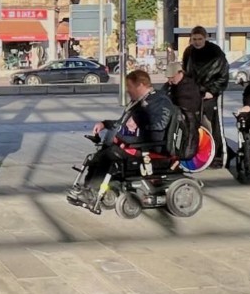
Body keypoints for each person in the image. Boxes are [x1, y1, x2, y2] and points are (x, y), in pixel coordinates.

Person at [68, 70, 177, 203]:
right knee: (99, 155)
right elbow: (122, 123)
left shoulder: (159, 100)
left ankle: (92, 192)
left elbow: (160, 124)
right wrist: (104, 124)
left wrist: (139, 123)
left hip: (150, 146)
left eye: (130, 87)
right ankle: (88, 188)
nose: (128, 90)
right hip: (135, 142)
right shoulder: (138, 101)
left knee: (109, 155)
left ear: (141, 85)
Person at [181, 26, 229, 167]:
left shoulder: (215, 52)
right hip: (194, 93)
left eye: (199, 39)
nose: (196, 42)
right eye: (194, 39)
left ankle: (216, 154)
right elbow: (186, 72)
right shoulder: (189, 52)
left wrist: (212, 91)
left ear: (205, 38)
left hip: (210, 94)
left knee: (212, 124)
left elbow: (223, 75)